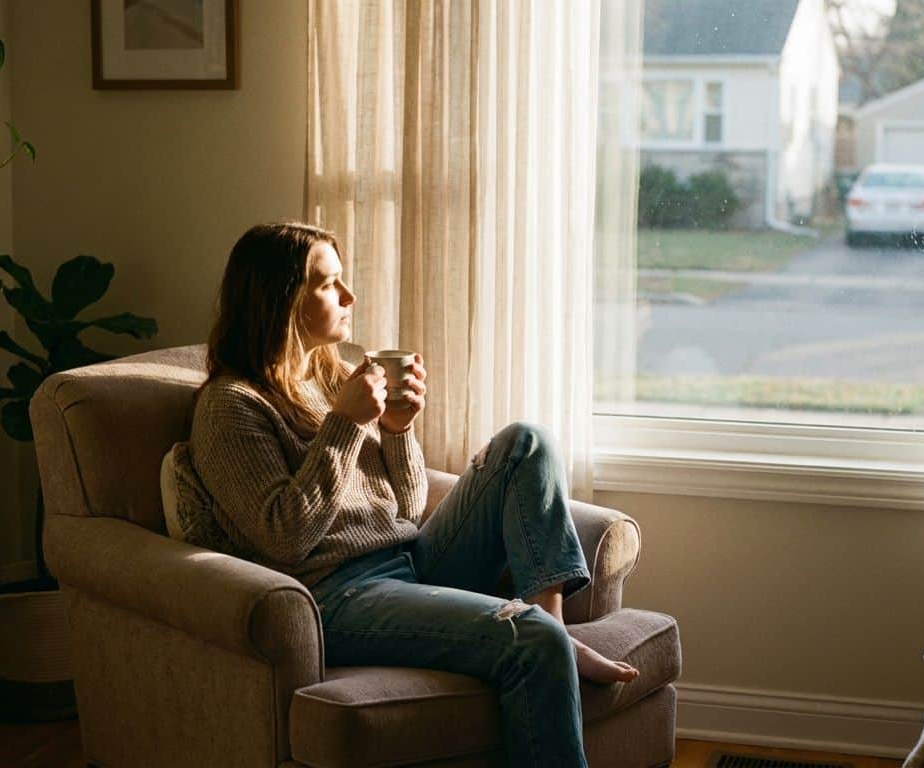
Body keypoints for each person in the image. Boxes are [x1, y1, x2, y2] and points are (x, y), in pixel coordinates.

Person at [185, 222, 640, 767]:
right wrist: (345, 426)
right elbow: (285, 536)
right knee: (530, 639)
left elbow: (405, 507)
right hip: (335, 596)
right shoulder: (230, 407)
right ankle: (549, 639)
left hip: (408, 561)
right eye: (328, 285)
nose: (349, 296)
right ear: (280, 302)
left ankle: (557, 629)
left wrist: (397, 429)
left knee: (526, 442)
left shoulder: (333, 379)